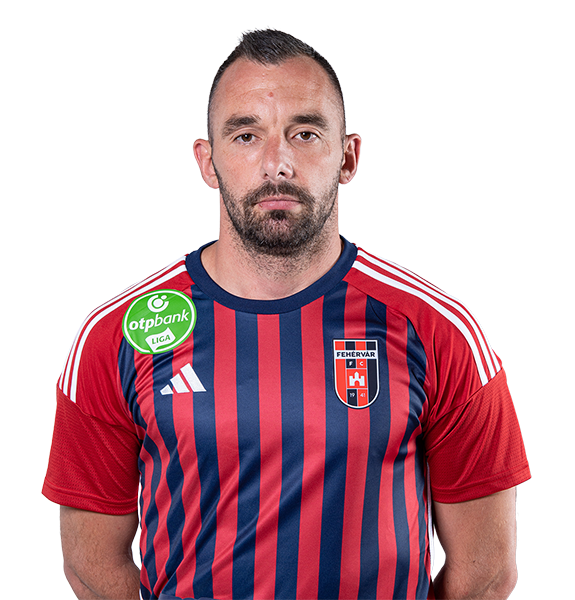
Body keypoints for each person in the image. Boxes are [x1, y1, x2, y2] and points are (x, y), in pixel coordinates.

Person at [43, 28, 531, 600]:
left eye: (305, 133)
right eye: (246, 135)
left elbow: (486, 572)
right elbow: (89, 562)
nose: (277, 164)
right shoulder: (116, 336)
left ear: (347, 156)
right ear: (207, 161)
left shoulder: (439, 331)